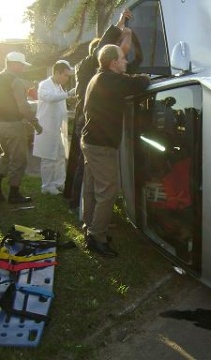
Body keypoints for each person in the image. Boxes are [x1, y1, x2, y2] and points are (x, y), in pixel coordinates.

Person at [81, 44, 150, 257]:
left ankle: (89, 227)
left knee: (93, 187)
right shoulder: (110, 80)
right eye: (122, 58)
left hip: (91, 142)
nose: (126, 61)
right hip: (101, 146)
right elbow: (139, 83)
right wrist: (146, 76)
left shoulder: (100, 77)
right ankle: (97, 236)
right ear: (113, 62)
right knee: (109, 191)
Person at [65, 9, 134, 212]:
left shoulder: (85, 66)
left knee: (84, 165)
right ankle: (79, 204)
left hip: (84, 117)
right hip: (89, 120)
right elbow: (110, 46)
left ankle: (78, 204)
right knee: (86, 168)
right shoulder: (92, 65)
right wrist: (121, 25)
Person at [0, 52, 43, 204]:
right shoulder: (15, 81)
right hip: (13, 125)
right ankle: (14, 194)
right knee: (19, 159)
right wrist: (35, 123)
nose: (24, 67)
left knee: (6, 155)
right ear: (14, 64)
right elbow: (23, 106)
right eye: (22, 64)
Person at [32, 60, 75, 195]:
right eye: (66, 75)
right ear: (57, 73)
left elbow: (59, 105)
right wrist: (68, 94)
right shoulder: (44, 85)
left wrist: (69, 113)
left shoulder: (59, 86)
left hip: (58, 128)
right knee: (48, 158)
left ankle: (59, 183)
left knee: (60, 156)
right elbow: (50, 98)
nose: (67, 79)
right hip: (47, 128)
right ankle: (47, 186)